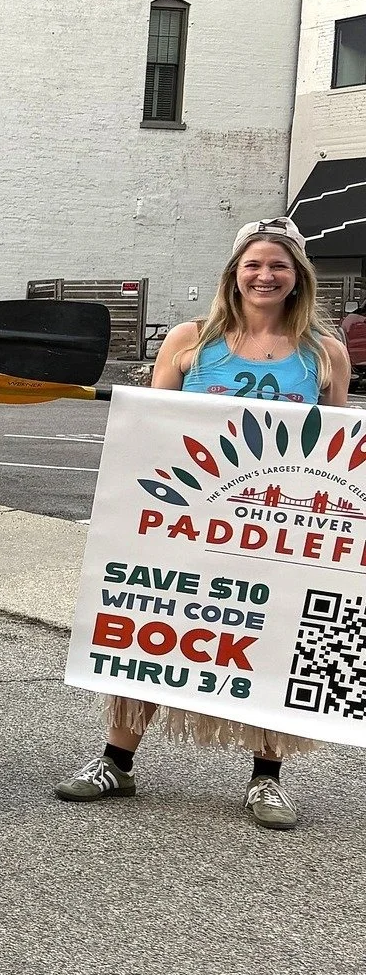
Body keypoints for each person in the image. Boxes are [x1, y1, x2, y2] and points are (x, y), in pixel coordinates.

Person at [55, 216, 351, 831]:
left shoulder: (325, 353)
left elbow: (334, 448)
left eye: (278, 265)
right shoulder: (191, 340)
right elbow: (149, 428)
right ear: (234, 273)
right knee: (152, 625)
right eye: (253, 264)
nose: (264, 275)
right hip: (185, 517)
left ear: (298, 277)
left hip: (273, 525)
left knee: (282, 641)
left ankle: (267, 778)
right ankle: (118, 759)